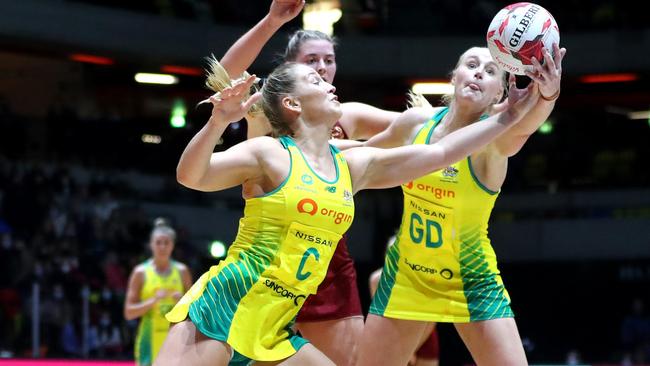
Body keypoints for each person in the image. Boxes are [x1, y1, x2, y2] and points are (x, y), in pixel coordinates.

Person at [154, 60, 539, 365]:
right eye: (314, 80)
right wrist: (219, 120)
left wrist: (506, 119)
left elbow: (438, 154)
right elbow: (192, 176)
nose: (327, 80)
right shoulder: (270, 153)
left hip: (274, 320)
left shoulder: (351, 166)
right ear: (293, 104)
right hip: (228, 301)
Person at [356, 44, 566, 366]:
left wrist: (548, 94)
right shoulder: (415, 124)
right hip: (407, 276)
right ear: (454, 77)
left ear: (499, 93)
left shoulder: (496, 137)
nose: (479, 71)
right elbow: (363, 156)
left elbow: (526, 124)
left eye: (491, 70)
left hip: (472, 279)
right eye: (471, 64)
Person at [217, 2, 399, 364]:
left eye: (328, 60)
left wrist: (487, 114)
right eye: (312, 60)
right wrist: (271, 21)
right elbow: (223, 74)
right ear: (289, 68)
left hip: (326, 259)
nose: (323, 67)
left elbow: (416, 129)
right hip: (268, 256)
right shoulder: (271, 106)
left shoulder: (348, 114)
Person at [124, 218, 192, 366]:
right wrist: (152, 301)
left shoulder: (182, 271)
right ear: (151, 245)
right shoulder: (140, 272)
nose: (162, 247)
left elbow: (195, 312)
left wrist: (183, 302)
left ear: (172, 245)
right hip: (148, 341)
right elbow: (129, 313)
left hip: (176, 341)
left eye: (166, 242)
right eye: (158, 242)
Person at [368, 235, 439, 366]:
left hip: (424, 337)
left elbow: (431, 320)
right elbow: (379, 316)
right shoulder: (376, 280)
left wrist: (412, 348)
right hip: (392, 336)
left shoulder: (422, 281)